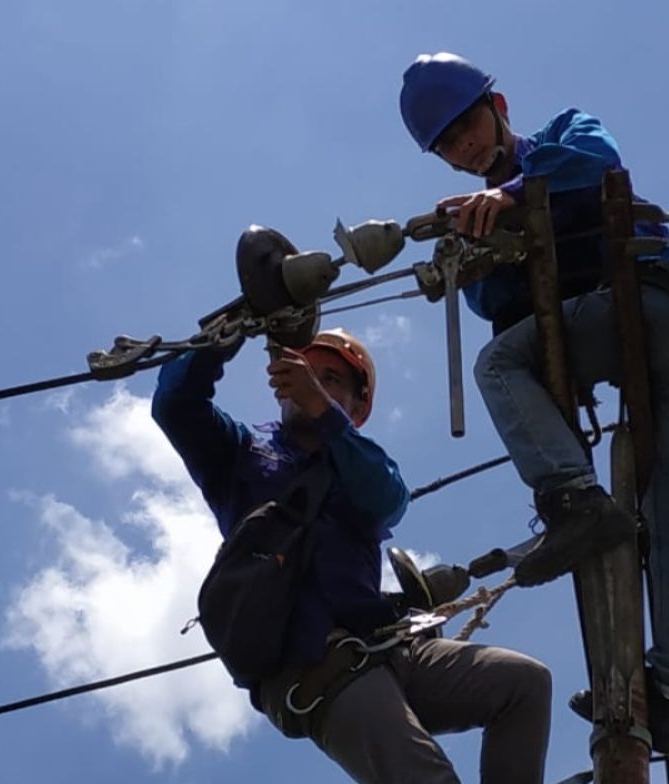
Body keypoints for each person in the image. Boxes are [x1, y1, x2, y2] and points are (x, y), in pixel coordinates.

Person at [399, 52, 669, 751]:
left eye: (466, 126)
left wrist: (514, 197)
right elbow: (496, 305)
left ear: (498, 109)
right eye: (447, 145)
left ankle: (572, 498)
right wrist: (479, 250)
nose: (463, 149)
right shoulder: (472, 222)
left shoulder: (565, 134)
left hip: (661, 308)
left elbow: (599, 159)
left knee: (498, 367)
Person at [151, 326, 552, 784]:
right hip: (320, 665)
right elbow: (175, 405)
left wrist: (320, 407)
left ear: (358, 408)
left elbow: (387, 497)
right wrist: (227, 335)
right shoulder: (240, 454)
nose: (312, 384)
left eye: (330, 380)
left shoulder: (359, 466)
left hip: (388, 648)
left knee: (524, 684)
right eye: (306, 372)